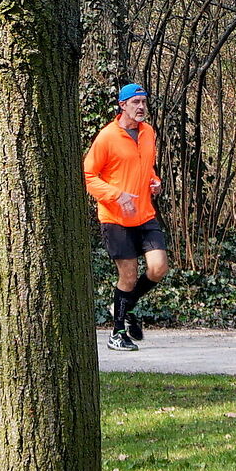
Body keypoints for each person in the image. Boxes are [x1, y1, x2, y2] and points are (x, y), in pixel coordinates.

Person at [84, 83, 167, 351]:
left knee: (158, 268)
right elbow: (88, 177)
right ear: (123, 106)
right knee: (128, 277)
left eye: (144, 102)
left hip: (144, 214)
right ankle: (117, 333)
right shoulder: (107, 137)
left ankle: (123, 304)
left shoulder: (148, 133)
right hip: (116, 218)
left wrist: (155, 181)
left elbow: (146, 168)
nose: (141, 107)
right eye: (135, 102)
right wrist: (116, 195)